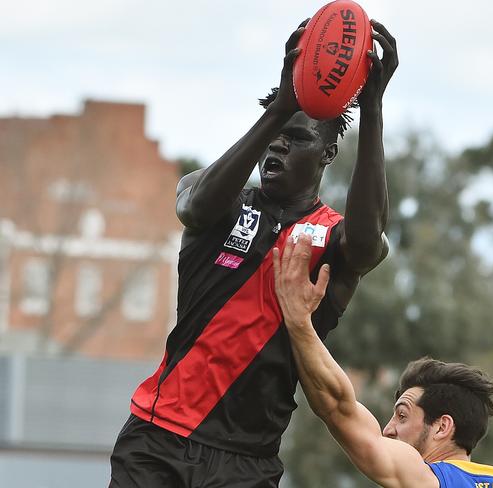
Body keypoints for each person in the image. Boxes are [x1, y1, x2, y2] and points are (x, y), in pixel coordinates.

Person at [109, 17, 398, 488]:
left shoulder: (335, 239)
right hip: (156, 440)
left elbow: (368, 243)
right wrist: (281, 107)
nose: (280, 141)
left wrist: (372, 110)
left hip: (246, 461)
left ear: (328, 154)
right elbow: (194, 205)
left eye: (299, 135)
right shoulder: (221, 202)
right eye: (276, 133)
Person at [272, 234, 493, 488]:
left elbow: (339, 408)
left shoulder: (433, 481)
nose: (388, 430)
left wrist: (298, 321)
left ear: (442, 427)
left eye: (402, 416)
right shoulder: (490, 483)